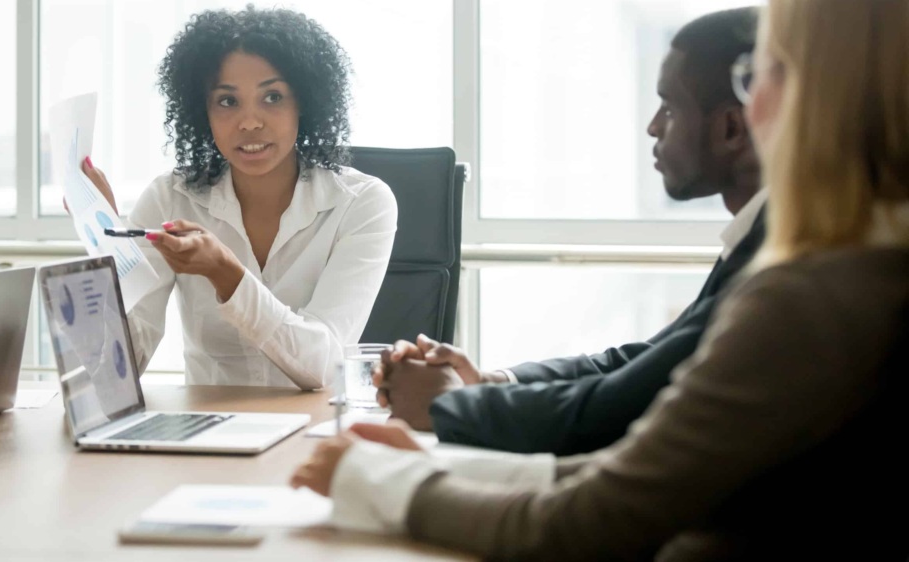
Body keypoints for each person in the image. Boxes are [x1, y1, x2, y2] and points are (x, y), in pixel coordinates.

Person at [292, 0, 909, 558]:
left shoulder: (815, 291)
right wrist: (455, 461)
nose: (754, 105)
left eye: (760, 74)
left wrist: (379, 474)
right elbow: (655, 451)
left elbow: (590, 520)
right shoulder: (851, 262)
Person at [373, 8, 765, 455]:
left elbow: (616, 409)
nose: (653, 126)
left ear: (731, 127)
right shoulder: (757, 236)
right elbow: (644, 363)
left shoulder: (775, 259)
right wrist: (492, 381)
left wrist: (453, 404)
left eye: (670, 107)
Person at [80, 7, 397, 389]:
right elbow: (118, 368)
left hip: (315, 434)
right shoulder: (169, 198)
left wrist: (226, 273)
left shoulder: (361, 203)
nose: (249, 121)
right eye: (228, 102)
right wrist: (109, 244)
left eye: (273, 97)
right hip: (207, 433)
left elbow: (323, 365)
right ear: (203, 112)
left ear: (305, 103)